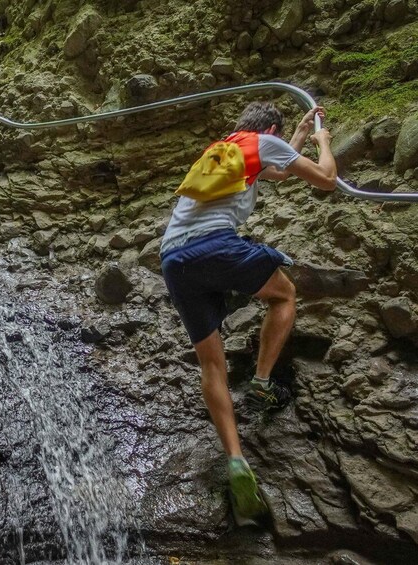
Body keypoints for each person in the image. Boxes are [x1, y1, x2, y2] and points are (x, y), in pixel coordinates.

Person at [159, 101, 337, 525]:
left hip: (173, 259)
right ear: (269, 129)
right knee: (284, 295)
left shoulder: (221, 150)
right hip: (214, 247)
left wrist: (293, 137)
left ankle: (236, 459)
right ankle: (261, 383)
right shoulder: (262, 143)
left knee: (211, 364)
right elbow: (327, 180)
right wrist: (322, 142)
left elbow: (271, 172)